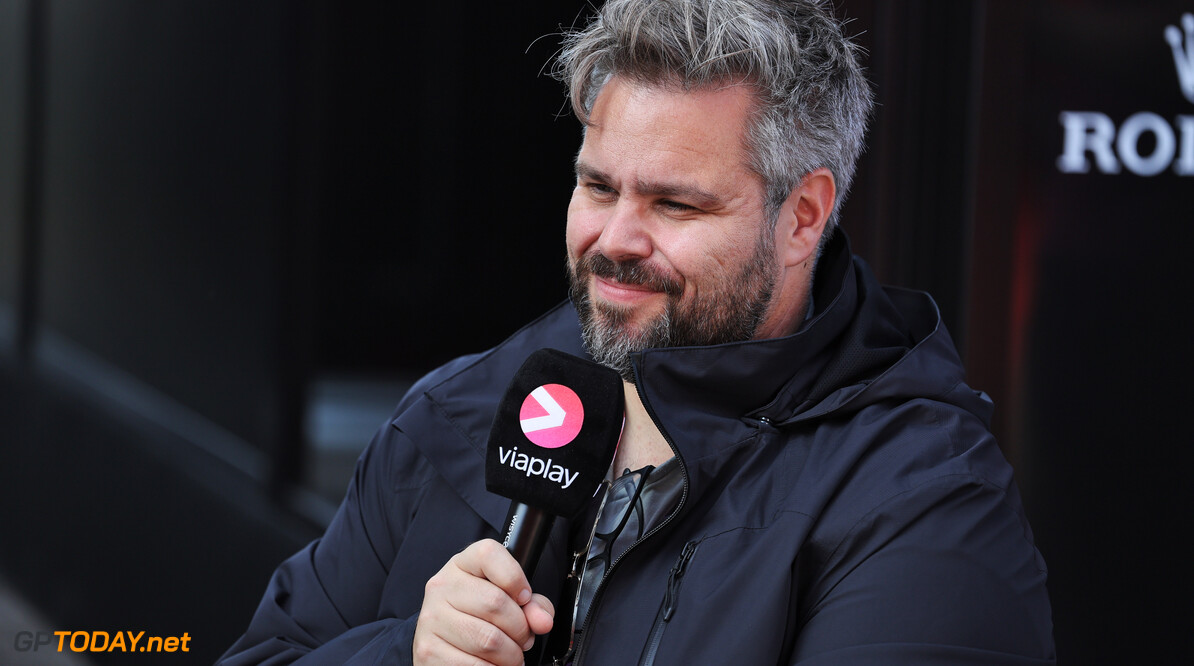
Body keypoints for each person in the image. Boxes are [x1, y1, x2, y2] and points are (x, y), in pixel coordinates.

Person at [220, 0, 1055, 663]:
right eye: (598, 187)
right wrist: (407, 654)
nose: (614, 239)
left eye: (675, 203)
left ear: (803, 216)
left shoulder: (922, 495)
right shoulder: (459, 411)